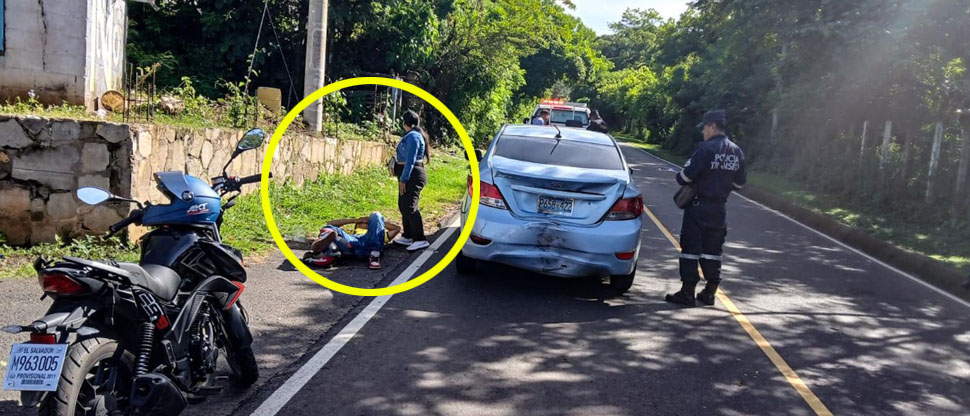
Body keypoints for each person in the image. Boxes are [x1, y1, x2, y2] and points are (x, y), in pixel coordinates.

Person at [665, 110, 747, 307]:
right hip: (719, 209)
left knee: (690, 250)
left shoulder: (705, 149)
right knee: (713, 251)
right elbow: (739, 184)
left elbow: (683, 177)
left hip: (698, 206)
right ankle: (709, 292)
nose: (703, 131)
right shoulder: (737, 151)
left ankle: (687, 292)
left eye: (704, 127)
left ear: (712, 126)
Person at [393, 110, 432, 251]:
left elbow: (410, 160)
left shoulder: (413, 137)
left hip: (413, 175)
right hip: (408, 173)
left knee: (410, 206)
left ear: (404, 123)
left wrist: (403, 179)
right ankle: (408, 235)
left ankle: (420, 238)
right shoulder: (411, 135)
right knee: (403, 204)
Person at [306, 213, 401, 269]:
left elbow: (396, 229)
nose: (364, 223)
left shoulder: (378, 234)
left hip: (370, 244)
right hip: (352, 242)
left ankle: (375, 255)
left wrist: (372, 221)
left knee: (376, 215)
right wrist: (354, 220)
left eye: (366, 223)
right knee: (330, 227)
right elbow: (330, 223)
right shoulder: (352, 234)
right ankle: (319, 245)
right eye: (362, 223)